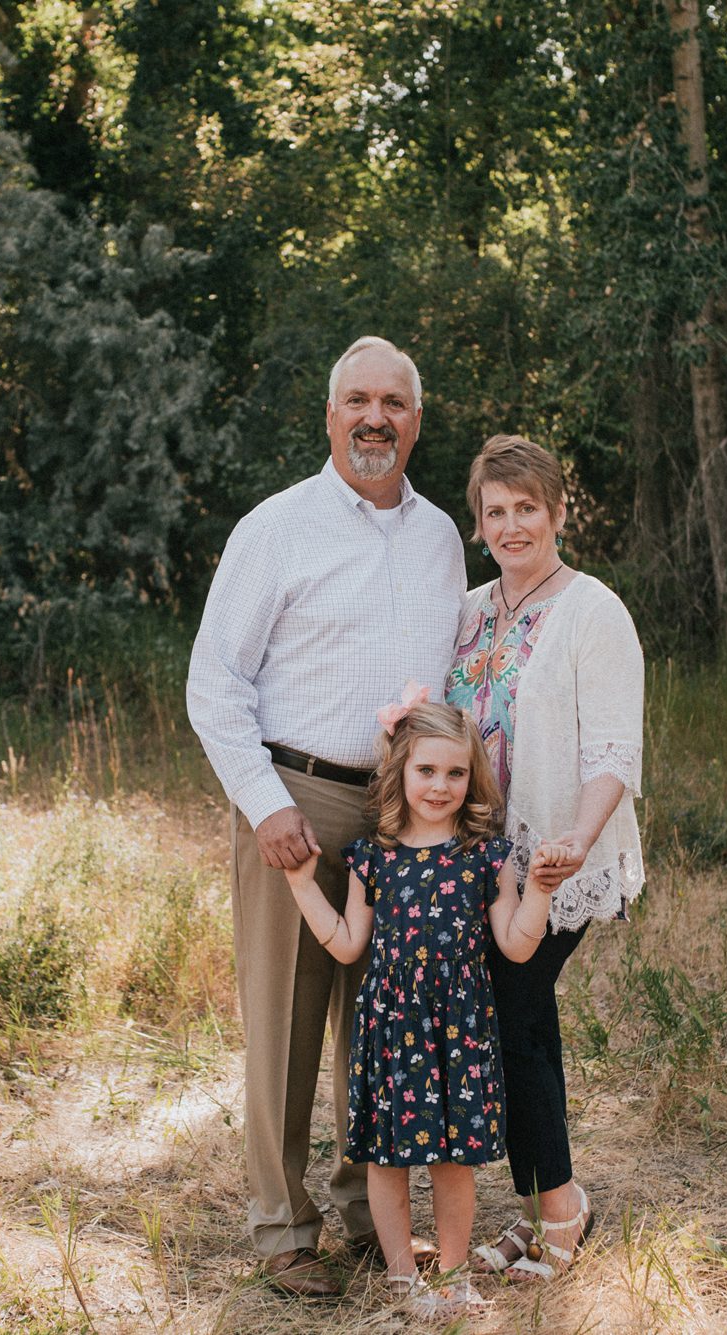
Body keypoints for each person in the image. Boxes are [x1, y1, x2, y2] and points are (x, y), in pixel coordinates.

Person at [186, 337, 466, 1297]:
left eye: (393, 401)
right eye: (358, 400)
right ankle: (281, 1228)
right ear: (331, 415)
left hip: (403, 811)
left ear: (416, 421)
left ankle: (364, 1211)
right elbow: (213, 683)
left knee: (382, 1024)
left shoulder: (439, 537)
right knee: (286, 1020)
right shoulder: (278, 527)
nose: (375, 417)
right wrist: (264, 804)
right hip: (295, 796)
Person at [282, 694, 569, 1317]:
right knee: (389, 1157)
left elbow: (517, 946)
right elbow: (348, 941)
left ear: (473, 778)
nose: (441, 786)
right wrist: (304, 886)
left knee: (452, 1159)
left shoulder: (484, 857)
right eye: (427, 771)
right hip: (391, 1028)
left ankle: (455, 1276)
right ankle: (402, 1279)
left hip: (459, 1030)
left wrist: (540, 892)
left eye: (456, 773)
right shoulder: (373, 857)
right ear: (400, 771)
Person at [446, 433, 646, 1282]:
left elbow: (613, 752)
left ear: (559, 510)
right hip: (478, 857)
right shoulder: (467, 609)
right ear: (479, 521)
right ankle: (535, 1211)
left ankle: (561, 1207)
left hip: (556, 855)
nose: (513, 524)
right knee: (505, 1020)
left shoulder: (595, 610)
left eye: (528, 507)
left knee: (516, 1011)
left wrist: (573, 838)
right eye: (497, 511)